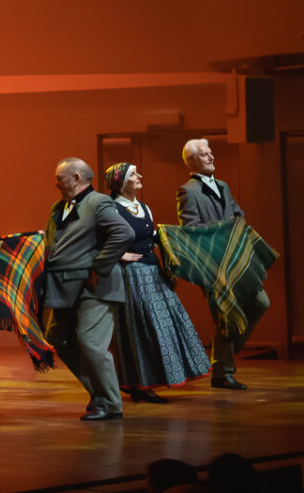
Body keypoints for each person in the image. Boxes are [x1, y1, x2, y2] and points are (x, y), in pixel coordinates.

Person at [104, 162, 209, 402]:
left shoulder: (144, 207)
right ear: (120, 182)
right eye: (133, 174)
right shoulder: (110, 209)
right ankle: (141, 384)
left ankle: (149, 380)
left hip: (153, 272)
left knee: (165, 324)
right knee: (142, 328)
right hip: (132, 275)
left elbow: (153, 237)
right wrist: (118, 255)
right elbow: (96, 238)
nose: (140, 176)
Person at [40, 157, 133, 422]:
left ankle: (111, 404)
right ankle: (100, 393)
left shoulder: (98, 202)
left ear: (77, 178)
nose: (56, 184)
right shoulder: (58, 206)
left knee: (91, 342)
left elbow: (124, 233)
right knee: (57, 339)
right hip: (65, 287)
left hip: (95, 286)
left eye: (60, 178)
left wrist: (99, 266)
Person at [176, 137, 268, 390]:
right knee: (225, 317)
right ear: (192, 161)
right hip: (213, 264)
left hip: (235, 260)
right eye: (204, 154)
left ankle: (226, 349)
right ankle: (223, 373)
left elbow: (238, 215)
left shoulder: (223, 186)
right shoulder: (188, 191)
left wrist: (236, 226)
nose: (211, 156)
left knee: (261, 302)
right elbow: (190, 230)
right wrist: (224, 228)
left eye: (210, 152)